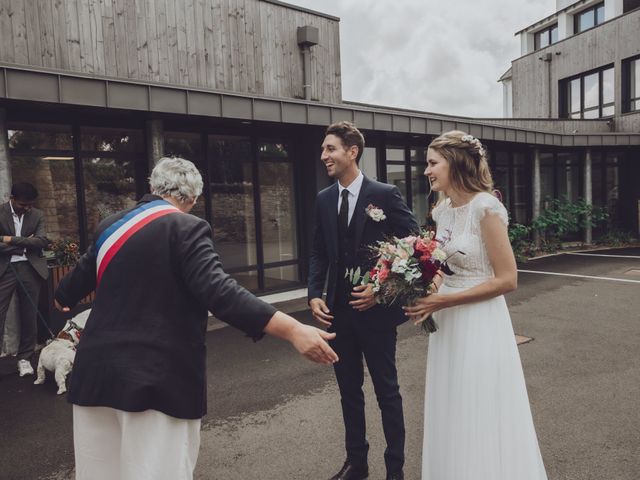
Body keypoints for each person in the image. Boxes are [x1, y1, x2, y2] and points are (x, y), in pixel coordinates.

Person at [54, 157, 338, 480]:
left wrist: (62, 298)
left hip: (94, 378)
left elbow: (70, 286)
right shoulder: (187, 227)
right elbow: (219, 291)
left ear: (151, 187)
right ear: (192, 199)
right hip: (154, 384)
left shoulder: (111, 226)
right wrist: (293, 329)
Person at [405, 131, 547, 480]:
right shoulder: (441, 210)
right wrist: (429, 289)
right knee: (451, 406)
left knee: (478, 406)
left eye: (432, 163)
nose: (427, 171)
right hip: (448, 323)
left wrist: (443, 298)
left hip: (480, 321)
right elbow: (442, 266)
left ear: (455, 164)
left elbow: (507, 279)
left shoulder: (486, 207)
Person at [308, 121, 418, 480]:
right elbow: (319, 253)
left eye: (330, 149)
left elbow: (413, 247)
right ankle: (356, 463)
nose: (324, 155)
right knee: (348, 392)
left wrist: (381, 288)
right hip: (338, 314)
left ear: (352, 152)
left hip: (377, 315)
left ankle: (395, 470)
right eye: (324, 149)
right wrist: (313, 295)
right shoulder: (324, 199)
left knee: (387, 391)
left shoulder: (385, 194)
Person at [0, 182, 49, 376]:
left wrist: (8, 239)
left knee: (29, 315)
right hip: (5, 269)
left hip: (30, 268)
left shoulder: (37, 215)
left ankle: (25, 358)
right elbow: (33, 242)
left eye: (30, 204)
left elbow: (42, 241)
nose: (27, 208)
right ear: (11, 199)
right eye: (22, 204)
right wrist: (23, 244)